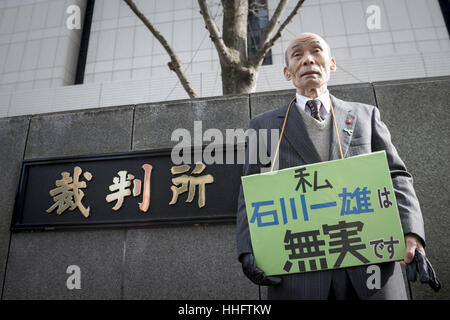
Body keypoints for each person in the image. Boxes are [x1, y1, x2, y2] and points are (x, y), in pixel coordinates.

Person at [236, 32, 426, 299]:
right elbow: (250, 193)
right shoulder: (263, 126)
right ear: (287, 72)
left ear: (332, 64)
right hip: (301, 271)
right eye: (297, 55)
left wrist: (411, 233)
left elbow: (396, 176)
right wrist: (248, 251)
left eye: (316, 51)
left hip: (369, 266)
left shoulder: (365, 115)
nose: (308, 60)